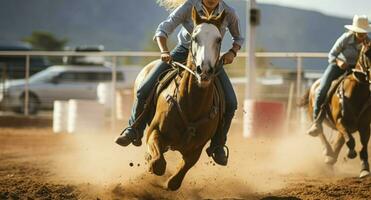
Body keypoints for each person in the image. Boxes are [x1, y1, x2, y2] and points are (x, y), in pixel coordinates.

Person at [115, 0, 244, 166]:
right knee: (144, 88)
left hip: (210, 57)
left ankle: (218, 144)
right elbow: (163, 28)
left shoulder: (229, 12)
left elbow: (238, 37)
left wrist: (232, 52)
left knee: (231, 102)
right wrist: (164, 51)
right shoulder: (189, 7)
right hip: (183, 51)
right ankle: (133, 129)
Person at [307, 15, 371, 136]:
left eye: (363, 33)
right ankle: (317, 122)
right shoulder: (345, 38)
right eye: (359, 33)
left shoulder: (368, 42)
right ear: (354, 31)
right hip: (337, 67)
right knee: (323, 88)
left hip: (357, 70)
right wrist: (339, 61)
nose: (362, 36)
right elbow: (331, 55)